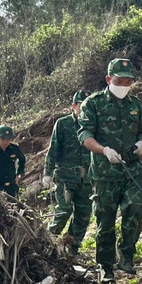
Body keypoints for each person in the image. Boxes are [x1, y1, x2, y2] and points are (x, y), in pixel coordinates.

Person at [78, 58, 142, 283]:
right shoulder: (93, 104)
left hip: (131, 172)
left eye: (128, 81)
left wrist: (141, 143)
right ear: (109, 79)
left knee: (136, 207)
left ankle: (127, 255)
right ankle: (105, 267)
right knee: (105, 222)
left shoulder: (135, 104)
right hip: (104, 175)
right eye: (120, 80)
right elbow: (85, 135)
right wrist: (104, 150)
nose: (124, 85)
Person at [42, 90, 93, 254]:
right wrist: (47, 173)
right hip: (65, 177)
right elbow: (53, 149)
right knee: (64, 210)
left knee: (83, 214)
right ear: (74, 106)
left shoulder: (93, 125)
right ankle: (47, 243)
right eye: (81, 105)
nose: (85, 109)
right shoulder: (63, 124)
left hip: (86, 179)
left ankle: (72, 248)